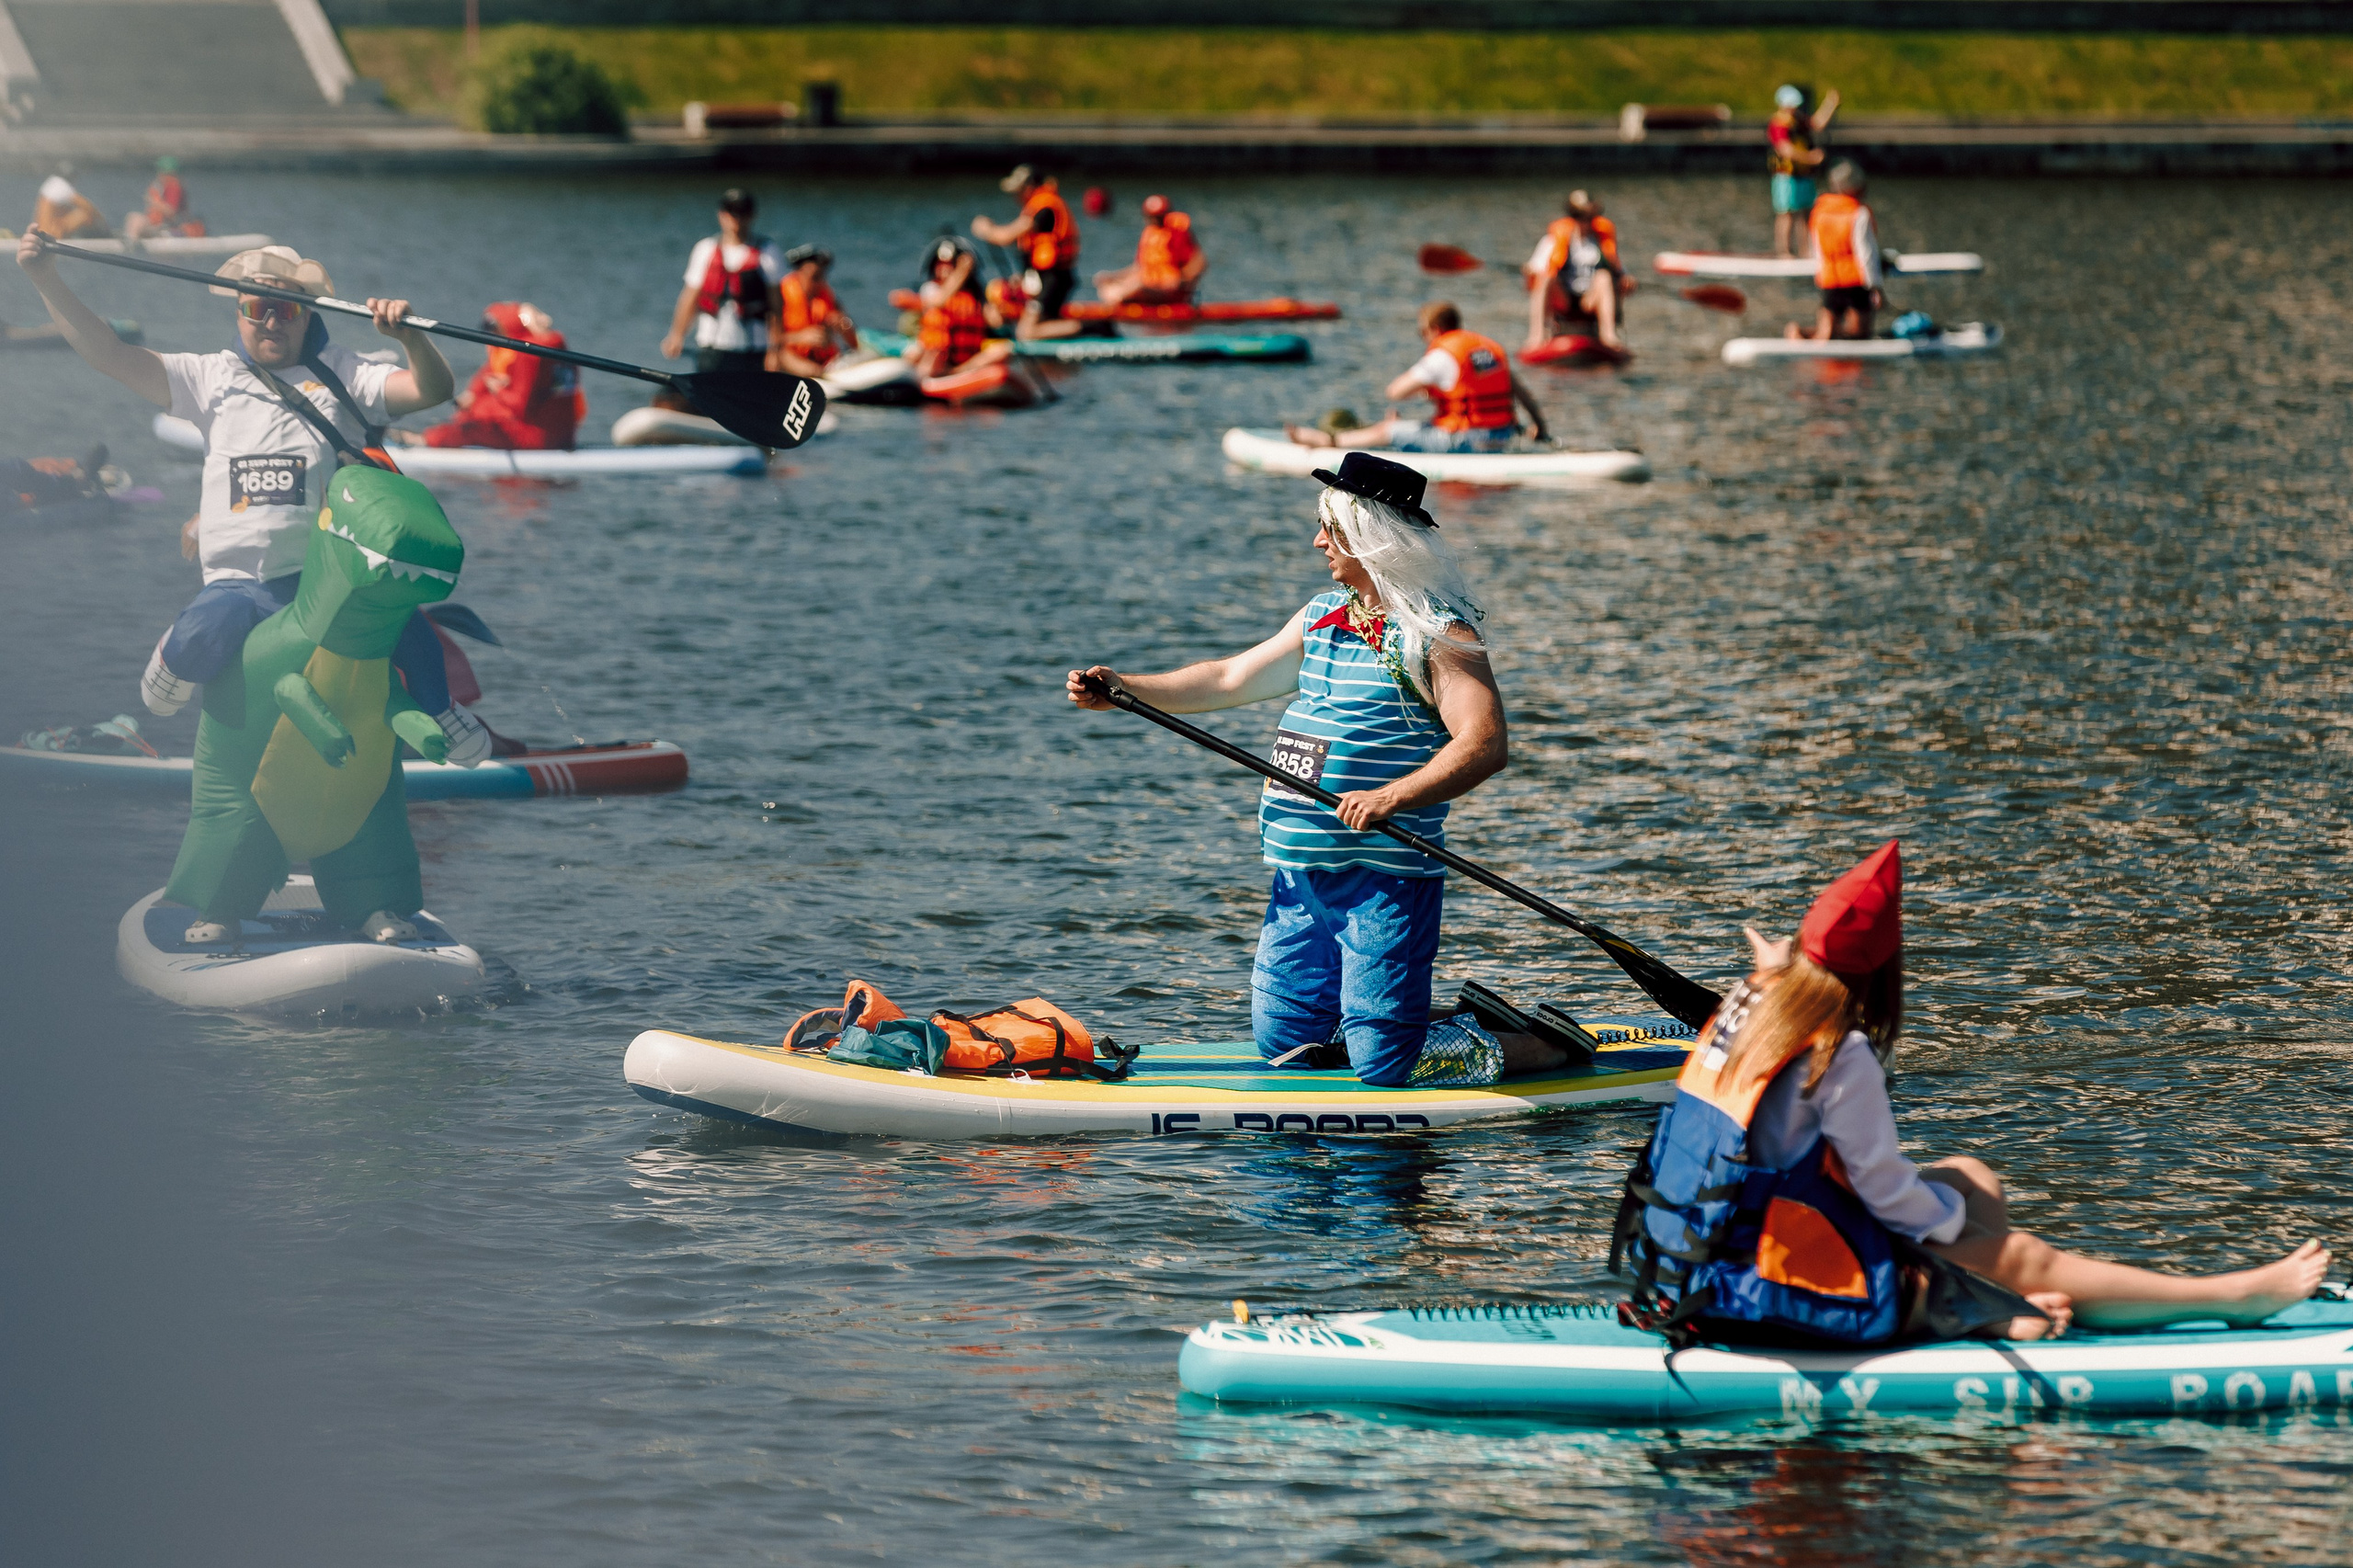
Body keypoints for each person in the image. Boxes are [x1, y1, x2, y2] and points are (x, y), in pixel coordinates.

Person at [1617, 841, 2332, 1346]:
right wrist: (1976, 1239)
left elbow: (1776, 977)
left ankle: (1990, 1304)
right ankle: (2232, 1299)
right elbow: (1888, 1192)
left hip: (1688, 1251)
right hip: (1754, 1282)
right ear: (1881, 972)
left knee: (1972, 1178)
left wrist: (1958, 1216)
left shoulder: (1757, 995)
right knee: (2020, 1253)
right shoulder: (1843, 1048)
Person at [1067, 453, 1582, 1090]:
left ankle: (1547, 1046)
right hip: (1299, 873)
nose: (1318, 542)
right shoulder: (1322, 617)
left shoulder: (1436, 633)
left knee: (1385, 1067)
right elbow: (1228, 678)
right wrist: (1126, 688)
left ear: (1374, 538)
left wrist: (1394, 797)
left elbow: (1483, 743)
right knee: (1286, 1042)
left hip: (1383, 878)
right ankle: (1430, 1015)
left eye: (1331, 531)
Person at [11, 234, 483, 759]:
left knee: (399, 616)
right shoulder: (208, 377)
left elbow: (433, 390)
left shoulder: (347, 373)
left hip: (320, 576)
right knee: (211, 624)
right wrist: (45, 277)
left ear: (306, 315)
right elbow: (107, 353)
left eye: (285, 308)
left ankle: (441, 710)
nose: (271, 321)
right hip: (240, 580)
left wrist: (411, 337)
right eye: (256, 308)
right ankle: (175, 660)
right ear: (239, 314)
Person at [1285, 302, 1548, 454]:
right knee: (1414, 426)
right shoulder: (1488, 349)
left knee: (1389, 429)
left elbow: (1395, 392)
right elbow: (1522, 393)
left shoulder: (1444, 355)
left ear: (1434, 330)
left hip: (1468, 440)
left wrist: (1429, 390)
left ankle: (1329, 442)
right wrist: (1540, 429)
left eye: (1423, 333)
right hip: (1503, 434)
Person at [406, 302, 584, 451]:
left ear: (511, 326)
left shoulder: (528, 356)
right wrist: (473, 394)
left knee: (473, 427)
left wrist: (498, 390)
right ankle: (442, 435)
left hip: (540, 439)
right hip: (564, 435)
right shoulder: (556, 347)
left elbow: (519, 406)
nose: (491, 335)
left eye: (494, 328)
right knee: (475, 408)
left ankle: (423, 441)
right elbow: (487, 374)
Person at [660, 188, 787, 374]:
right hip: (713, 348)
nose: (736, 218)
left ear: (752, 216)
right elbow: (689, 298)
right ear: (721, 215)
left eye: (742, 212)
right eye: (730, 212)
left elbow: (777, 306)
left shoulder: (768, 251)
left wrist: (775, 350)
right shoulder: (705, 249)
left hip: (754, 349)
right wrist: (677, 335)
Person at [972, 164, 1083, 341]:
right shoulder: (1037, 206)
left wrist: (987, 230)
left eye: (1018, 190)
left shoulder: (1045, 208)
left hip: (1053, 280)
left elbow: (1007, 236)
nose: (1015, 196)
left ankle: (1090, 328)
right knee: (999, 294)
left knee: (1026, 333)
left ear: (1029, 187)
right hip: (1043, 279)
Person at [1787, 160, 1881, 343]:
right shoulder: (1859, 213)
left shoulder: (1819, 212)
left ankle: (1805, 333)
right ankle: (1823, 333)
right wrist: (1876, 287)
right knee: (1861, 332)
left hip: (1829, 279)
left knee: (1828, 326)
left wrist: (1820, 276)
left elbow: (1817, 249)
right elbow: (1866, 254)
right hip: (1856, 281)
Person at [1521, 189, 1627, 351]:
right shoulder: (1553, 241)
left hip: (1590, 300)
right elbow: (1534, 272)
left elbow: (1620, 275)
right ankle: (1536, 336)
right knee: (1546, 277)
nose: (1584, 222)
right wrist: (1530, 273)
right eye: (1579, 216)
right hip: (1564, 299)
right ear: (1571, 216)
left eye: (1590, 217)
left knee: (1604, 277)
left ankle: (1609, 336)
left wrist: (1626, 281)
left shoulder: (1602, 241)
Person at [903, 239, 1010, 381]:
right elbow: (938, 301)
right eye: (940, 265)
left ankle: (957, 373)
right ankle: (927, 379)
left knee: (1003, 351)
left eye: (950, 265)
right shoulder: (931, 288)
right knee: (920, 353)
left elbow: (995, 321)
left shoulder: (975, 294)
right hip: (940, 354)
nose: (945, 269)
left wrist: (1004, 306)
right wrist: (961, 271)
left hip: (967, 357)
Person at [1768, 84, 1839, 258]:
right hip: (1786, 176)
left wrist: (1831, 103)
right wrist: (1811, 158)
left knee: (1806, 214)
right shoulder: (1779, 124)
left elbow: (1818, 124)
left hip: (1804, 174)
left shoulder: (1799, 120)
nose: (1794, 109)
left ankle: (1806, 251)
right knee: (1787, 214)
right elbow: (1785, 149)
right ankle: (1784, 252)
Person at [1093, 194, 1205, 306]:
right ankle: (1122, 299)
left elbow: (1199, 263)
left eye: (1159, 217)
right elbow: (1139, 267)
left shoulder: (1177, 233)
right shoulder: (1149, 234)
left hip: (1168, 290)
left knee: (1135, 287)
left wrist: (1183, 281)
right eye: (1151, 216)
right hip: (1148, 285)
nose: (1154, 220)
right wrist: (1113, 276)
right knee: (1105, 285)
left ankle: (1123, 299)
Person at [774, 244, 858, 376]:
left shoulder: (827, 296)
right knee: (781, 354)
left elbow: (854, 342)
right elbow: (770, 340)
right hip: (791, 357)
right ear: (798, 274)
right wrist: (801, 337)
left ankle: (827, 376)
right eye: (814, 277)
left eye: (822, 276)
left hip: (825, 361)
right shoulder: (780, 296)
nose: (819, 282)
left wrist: (844, 326)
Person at [121, 156, 199, 241]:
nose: (158, 173)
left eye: (160, 170)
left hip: (168, 229)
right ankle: (129, 239)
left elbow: (171, 211)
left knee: (135, 218)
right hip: (160, 227)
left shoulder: (173, 187)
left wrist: (153, 202)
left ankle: (129, 243)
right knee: (133, 218)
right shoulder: (163, 186)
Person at [31, 169, 110, 240]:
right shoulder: (62, 185)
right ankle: (101, 237)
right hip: (54, 233)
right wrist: (102, 222)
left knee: (69, 210)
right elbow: (87, 206)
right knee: (85, 215)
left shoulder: (50, 183)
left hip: (42, 230)